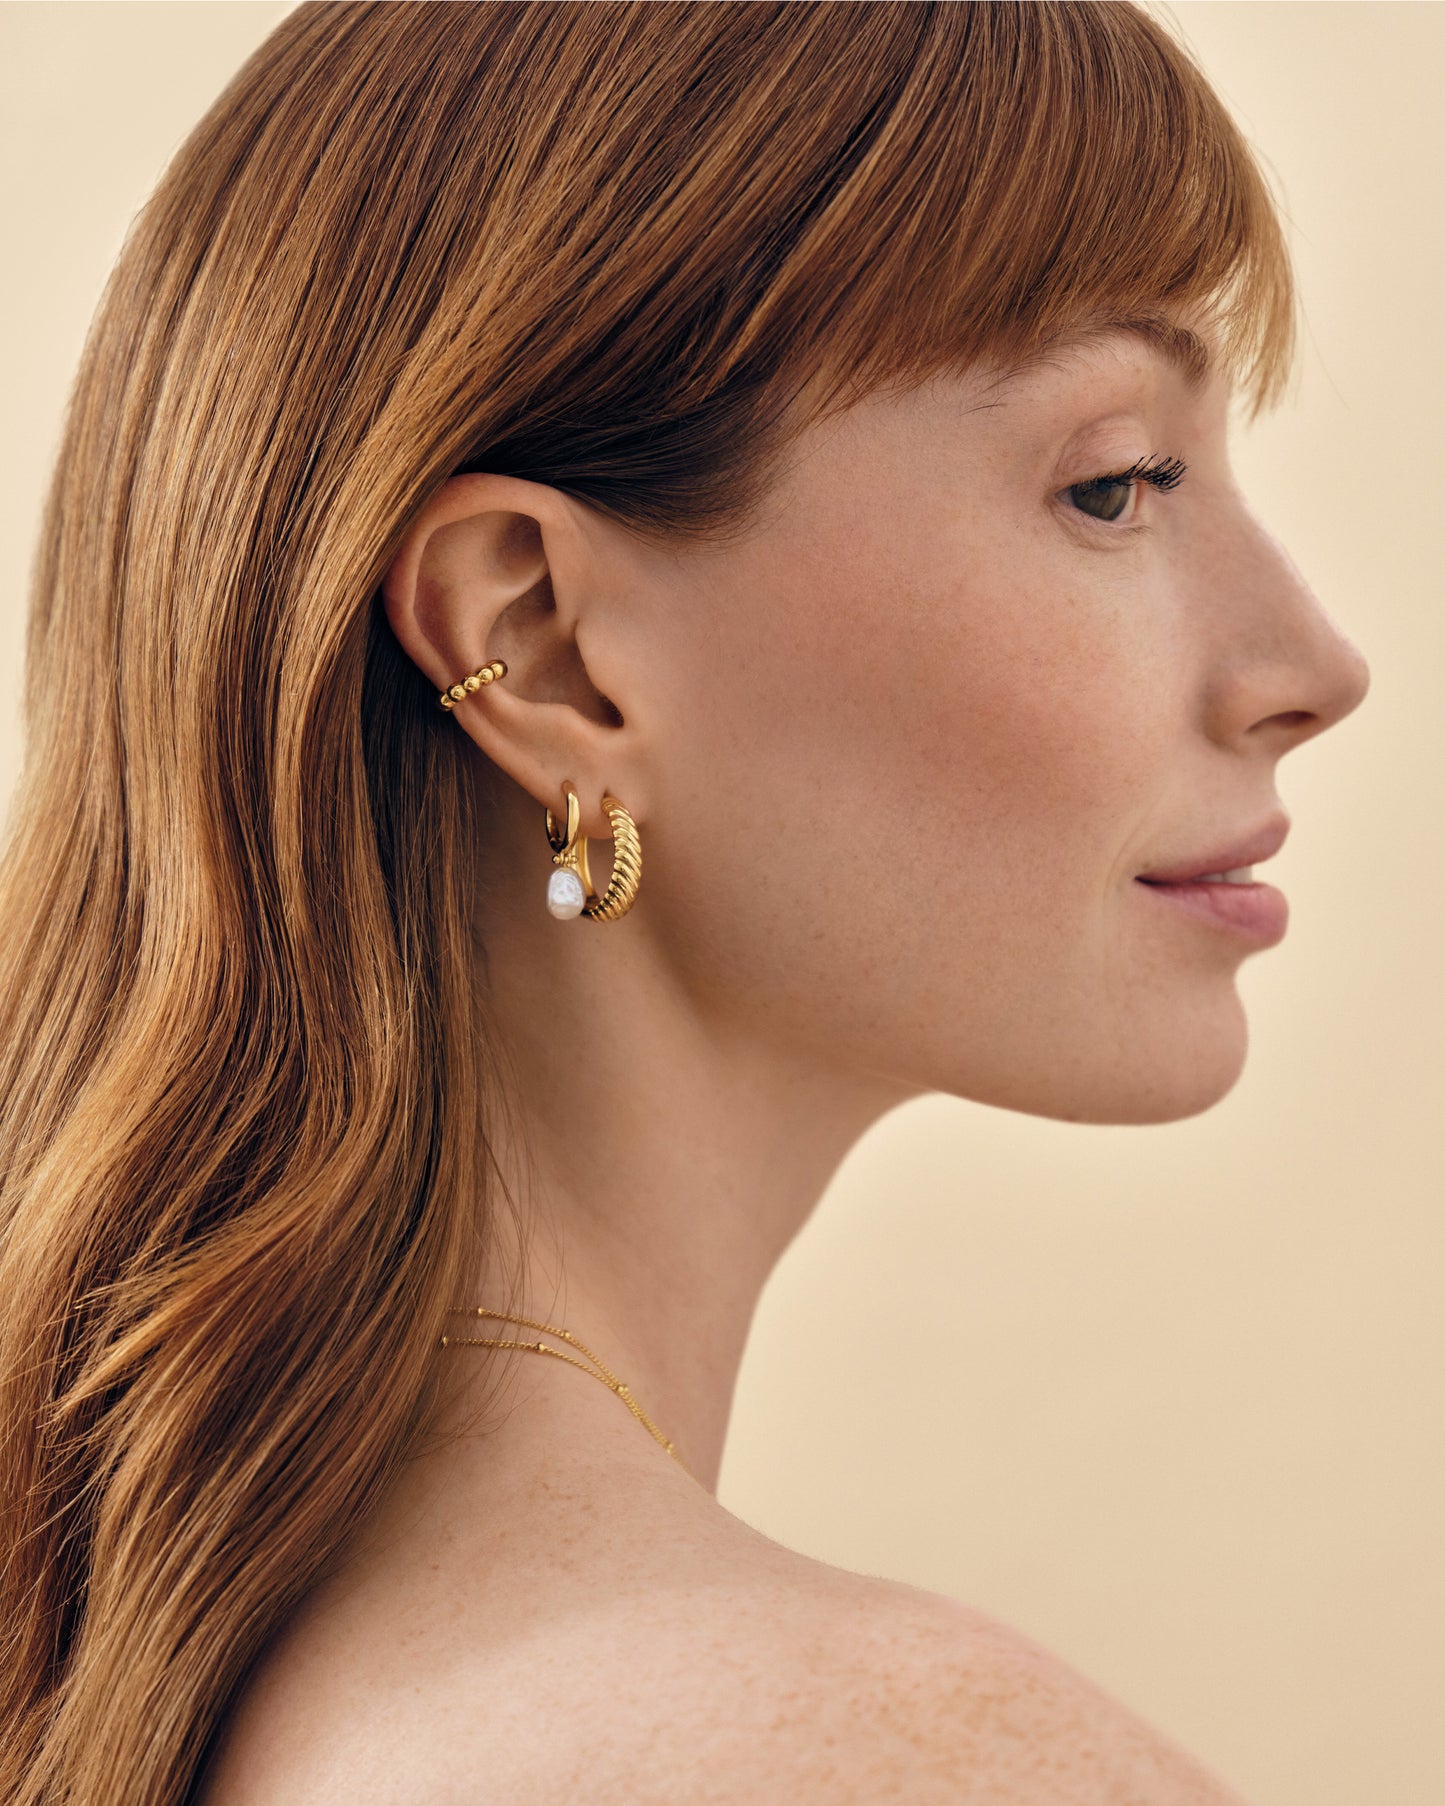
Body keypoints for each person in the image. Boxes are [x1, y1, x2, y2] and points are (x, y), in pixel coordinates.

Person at [0, 2, 1371, 1801]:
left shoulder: (178, 1656)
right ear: (541, 645)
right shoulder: (860, 1757)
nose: (1311, 665)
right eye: (1113, 484)